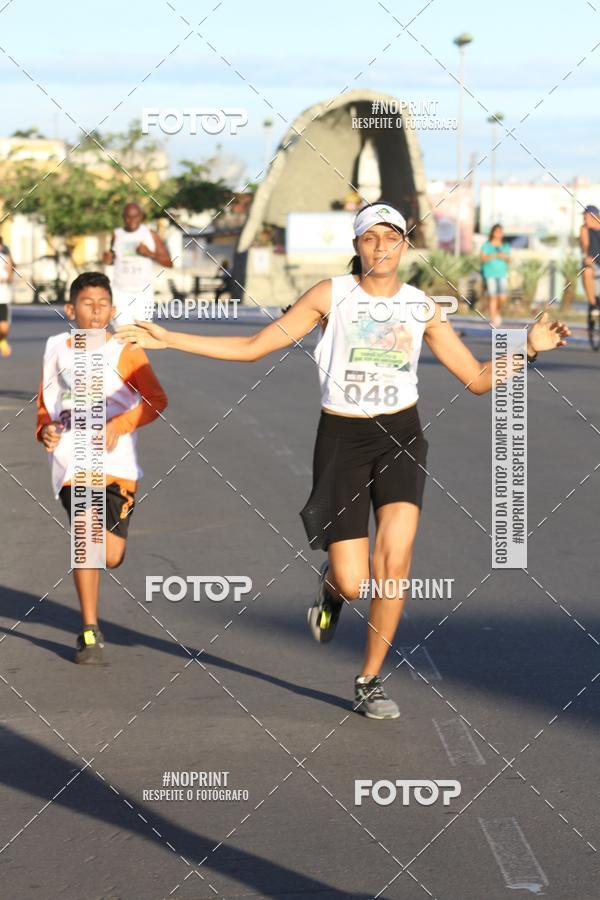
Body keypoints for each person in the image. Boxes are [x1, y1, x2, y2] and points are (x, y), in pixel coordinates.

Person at [114, 201, 569, 719]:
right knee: (353, 581)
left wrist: (527, 350)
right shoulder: (331, 296)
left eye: (391, 237)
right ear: (356, 245)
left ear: (405, 245)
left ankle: (370, 678)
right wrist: (170, 338)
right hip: (342, 440)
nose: (381, 247)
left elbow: (477, 379)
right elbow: (253, 346)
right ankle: (332, 591)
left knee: (394, 561)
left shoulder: (422, 306)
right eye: (370, 237)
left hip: (400, 436)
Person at [36, 272, 168, 664]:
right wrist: (43, 429)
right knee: (86, 539)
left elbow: (156, 400)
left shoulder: (125, 350)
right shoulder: (56, 347)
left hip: (118, 464)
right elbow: (47, 399)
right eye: (87, 304)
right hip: (71, 460)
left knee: (110, 554)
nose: (96, 312)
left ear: (112, 309)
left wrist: (120, 424)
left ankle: (92, 618)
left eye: (103, 304)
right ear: (70, 309)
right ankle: (89, 628)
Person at [103, 202, 173, 325]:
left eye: (135, 216)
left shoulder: (150, 234)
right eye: (128, 217)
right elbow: (112, 259)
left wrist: (149, 253)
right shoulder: (117, 234)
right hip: (120, 292)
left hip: (143, 293)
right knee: (123, 332)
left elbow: (169, 262)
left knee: (142, 332)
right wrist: (108, 259)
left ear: (141, 216)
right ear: (123, 217)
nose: (131, 220)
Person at [480, 224, 511, 327]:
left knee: (502, 297)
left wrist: (504, 256)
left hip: (502, 274)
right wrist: (494, 255)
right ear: (492, 232)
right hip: (490, 274)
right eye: (496, 231)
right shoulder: (487, 245)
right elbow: (482, 259)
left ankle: (497, 313)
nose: (498, 234)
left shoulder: (505, 246)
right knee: (492, 296)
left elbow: (509, 259)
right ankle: (493, 318)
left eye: (500, 232)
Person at [580, 205, 600, 315]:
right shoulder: (584, 229)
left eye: (585, 216)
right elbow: (585, 248)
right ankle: (593, 305)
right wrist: (587, 257)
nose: (583, 219)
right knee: (587, 272)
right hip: (593, 264)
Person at [0, 234, 14, 357]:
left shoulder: (5, 256)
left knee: (4, 328)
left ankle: (1, 339)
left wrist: (6, 277)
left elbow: (10, 274)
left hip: (3, 298)